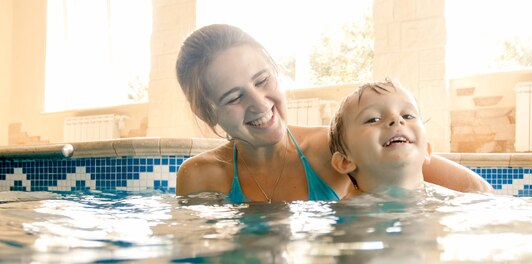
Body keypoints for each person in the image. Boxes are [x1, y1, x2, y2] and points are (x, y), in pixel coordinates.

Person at [175, 24, 492, 202]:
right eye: (234, 97)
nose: (259, 103)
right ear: (207, 113)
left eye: (262, 80)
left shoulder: (338, 147)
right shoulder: (201, 176)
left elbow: (478, 193)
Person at [329, 79, 437, 197]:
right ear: (345, 161)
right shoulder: (344, 212)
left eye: (408, 116)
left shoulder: (450, 201)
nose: (396, 119)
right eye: (374, 119)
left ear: (427, 151)